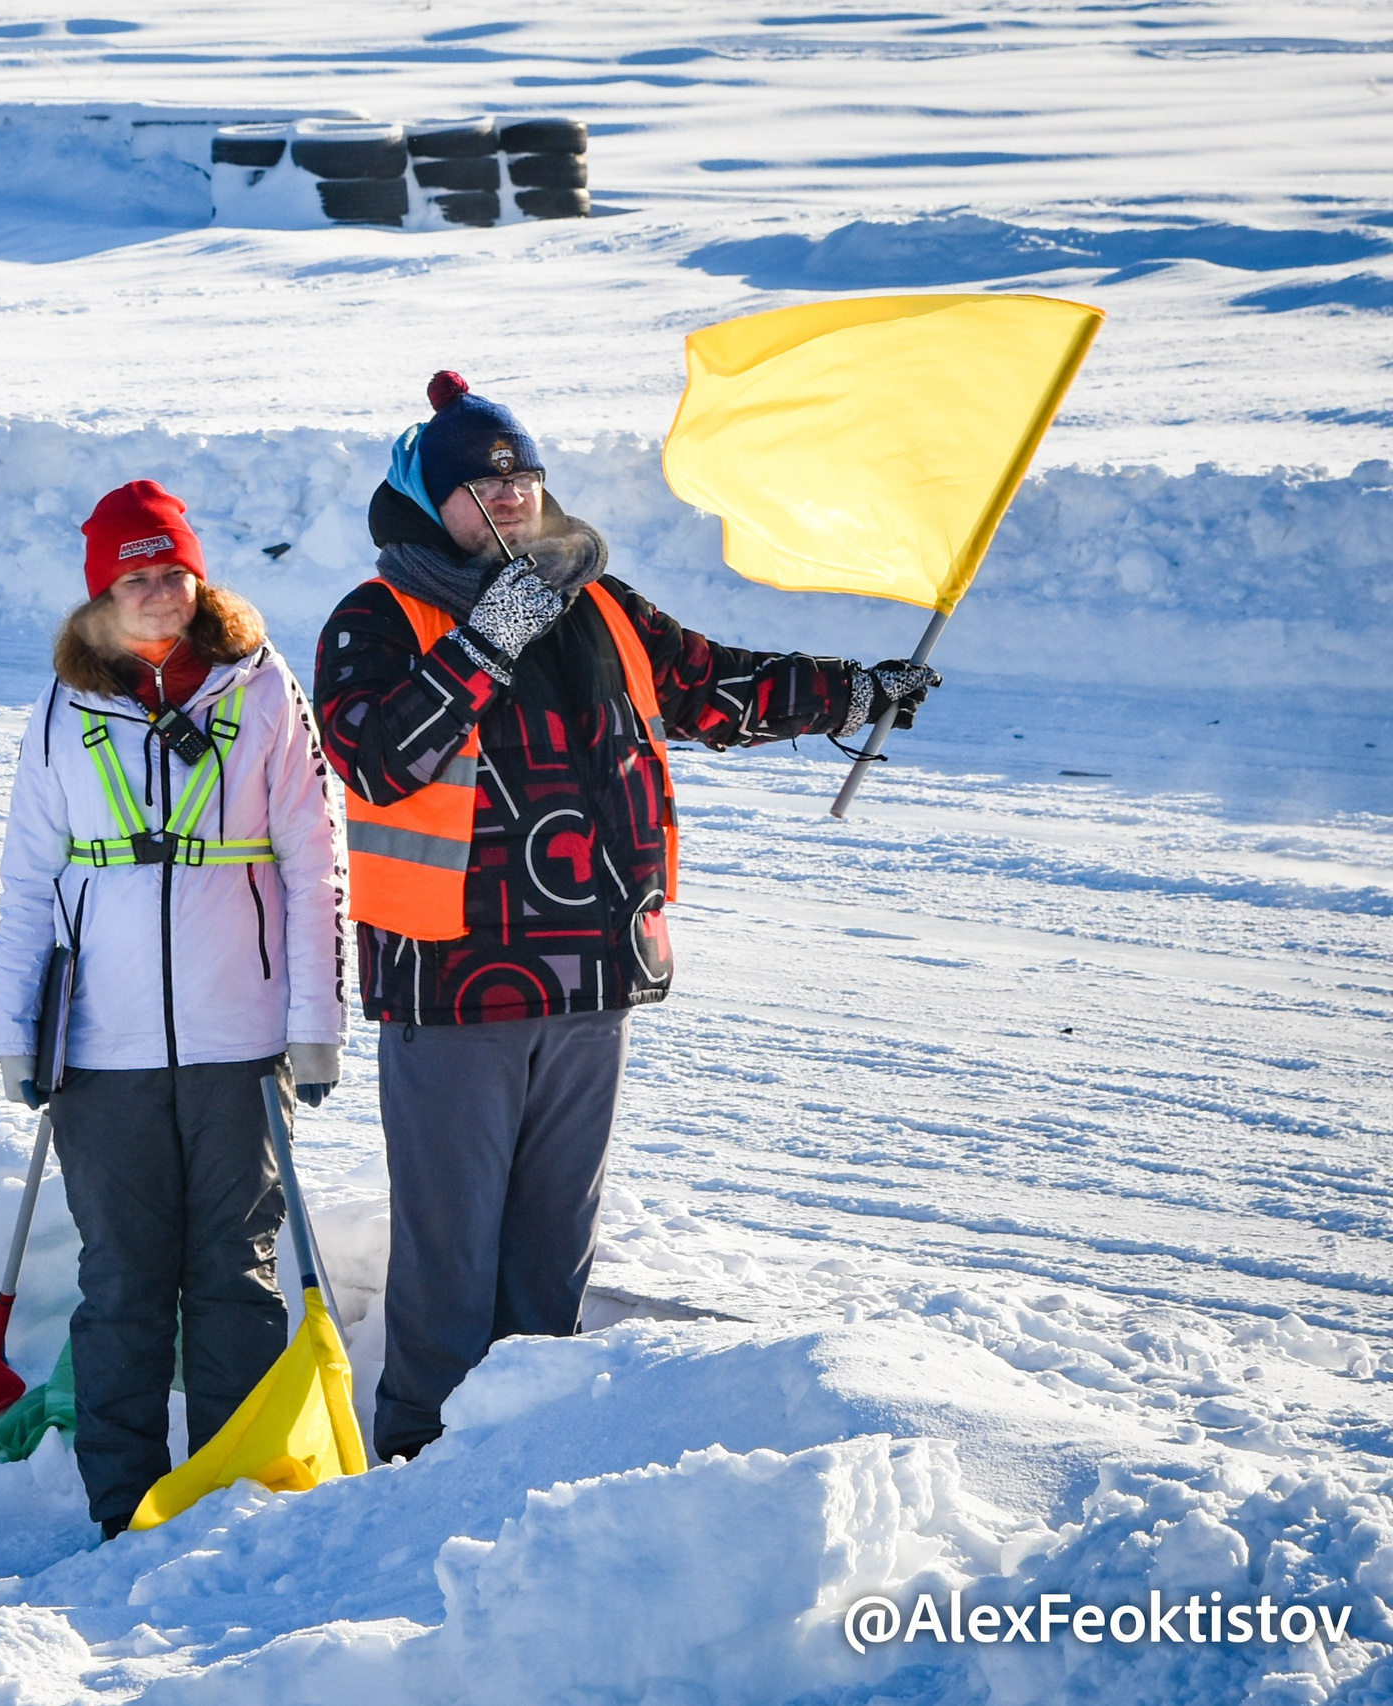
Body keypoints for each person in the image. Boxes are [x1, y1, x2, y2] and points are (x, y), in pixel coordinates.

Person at [315, 374, 941, 1463]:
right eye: (480, 481)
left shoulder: (596, 600)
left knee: (549, 1253)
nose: (508, 495)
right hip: (456, 983)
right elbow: (373, 753)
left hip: (595, 975)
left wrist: (853, 694)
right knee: (448, 1258)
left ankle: (521, 1457)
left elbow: (712, 685)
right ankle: (413, 1469)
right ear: (428, 502)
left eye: (521, 474)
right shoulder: (377, 616)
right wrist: (484, 640)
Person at [0, 480, 346, 1539]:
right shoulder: (61, 706)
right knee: (123, 1285)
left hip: (241, 1041)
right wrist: (14, 1031)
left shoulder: (262, 687)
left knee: (235, 1277)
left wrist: (316, 1018)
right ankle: (119, 1508)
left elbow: (315, 862)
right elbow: (23, 878)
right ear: (101, 595)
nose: (158, 596)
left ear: (200, 578)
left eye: (173, 574)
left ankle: (228, 1498)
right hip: (104, 1051)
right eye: (135, 579)